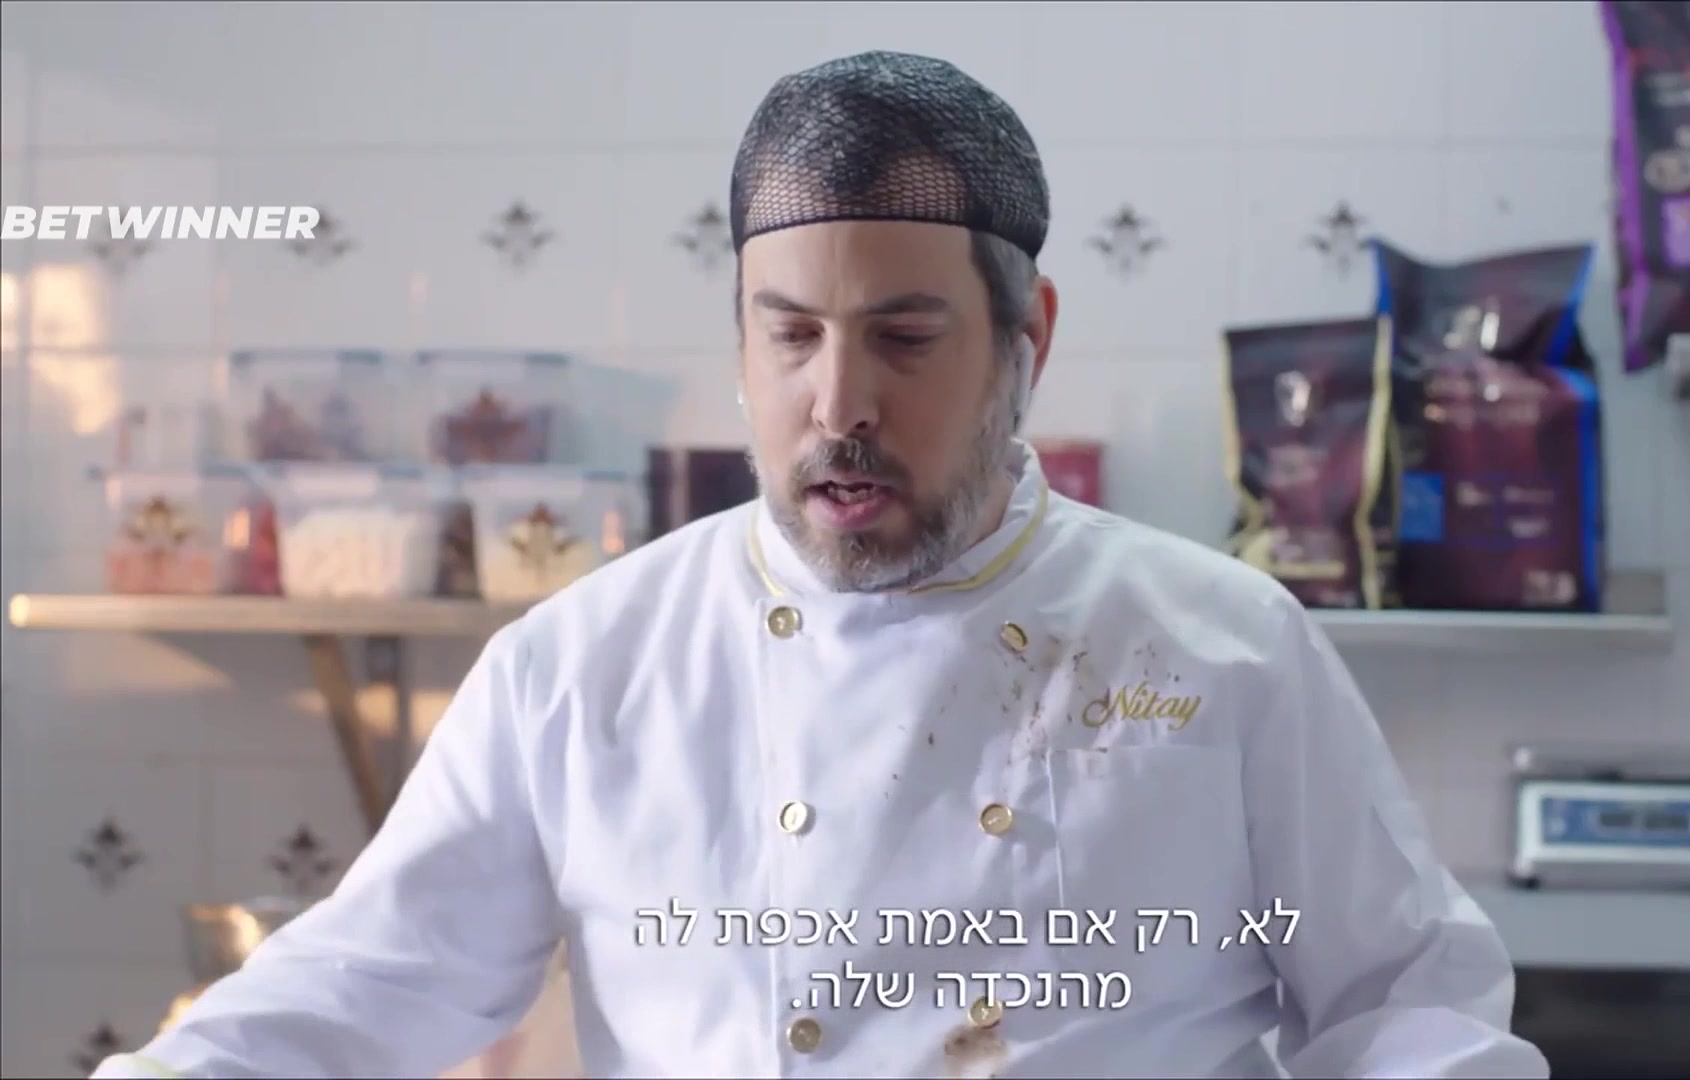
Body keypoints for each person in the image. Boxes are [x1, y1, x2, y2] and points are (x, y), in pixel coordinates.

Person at [95, 51, 1547, 1080]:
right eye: (790, 334)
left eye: (905, 339)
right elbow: (374, 978)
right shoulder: (583, 664)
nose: (838, 402)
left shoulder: (1223, 647)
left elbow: (1408, 1009)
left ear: (1027, 338)